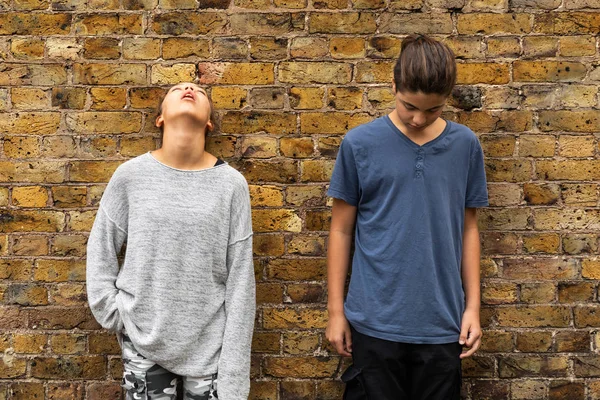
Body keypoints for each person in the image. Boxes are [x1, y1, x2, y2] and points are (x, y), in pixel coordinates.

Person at [325, 35, 489, 399]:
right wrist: (336, 311)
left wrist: (472, 308)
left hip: (443, 323)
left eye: (432, 110)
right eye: (408, 106)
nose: (418, 118)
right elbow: (340, 231)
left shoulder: (465, 146)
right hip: (374, 321)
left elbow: (468, 229)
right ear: (394, 85)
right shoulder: (360, 143)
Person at [86, 82, 255, 400]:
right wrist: (116, 313)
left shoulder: (232, 185)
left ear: (209, 123)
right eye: (178, 89)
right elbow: (101, 247)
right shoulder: (131, 176)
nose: (190, 88)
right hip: (143, 342)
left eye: (200, 92)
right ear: (160, 118)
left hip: (210, 349)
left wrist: (234, 369)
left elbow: (241, 280)